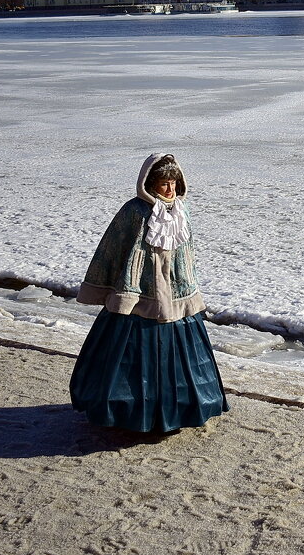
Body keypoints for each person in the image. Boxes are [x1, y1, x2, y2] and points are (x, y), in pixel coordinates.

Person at [69, 153, 229, 433]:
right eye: (163, 183)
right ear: (149, 183)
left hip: (177, 295)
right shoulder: (134, 211)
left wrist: (188, 284)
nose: (169, 189)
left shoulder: (182, 210)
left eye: (173, 182)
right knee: (129, 357)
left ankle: (179, 411)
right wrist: (104, 286)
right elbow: (112, 249)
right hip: (139, 294)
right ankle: (129, 412)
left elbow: (187, 254)